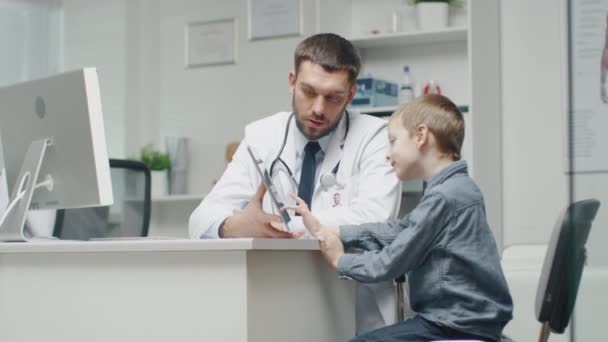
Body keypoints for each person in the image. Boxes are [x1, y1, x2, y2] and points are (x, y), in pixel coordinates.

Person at [189, 33, 402, 333]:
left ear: (351, 94)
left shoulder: (376, 136)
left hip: (353, 305)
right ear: (292, 81)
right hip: (277, 298)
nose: (318, 108)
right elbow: (201, 219)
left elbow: (374, 218)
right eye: (308, 91)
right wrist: (232, 227)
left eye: (333, 97)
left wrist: (284, 229)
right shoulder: (261, 136)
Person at [286, 94, 513, 342]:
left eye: (393, 141)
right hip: (461, 321)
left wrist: (340, 260)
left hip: (454, 325)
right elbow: (399, 231)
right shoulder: (452, 189)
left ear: (421, 135)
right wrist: (335, 230)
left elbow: (391, 262)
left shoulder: (447, 197)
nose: (387, 154)